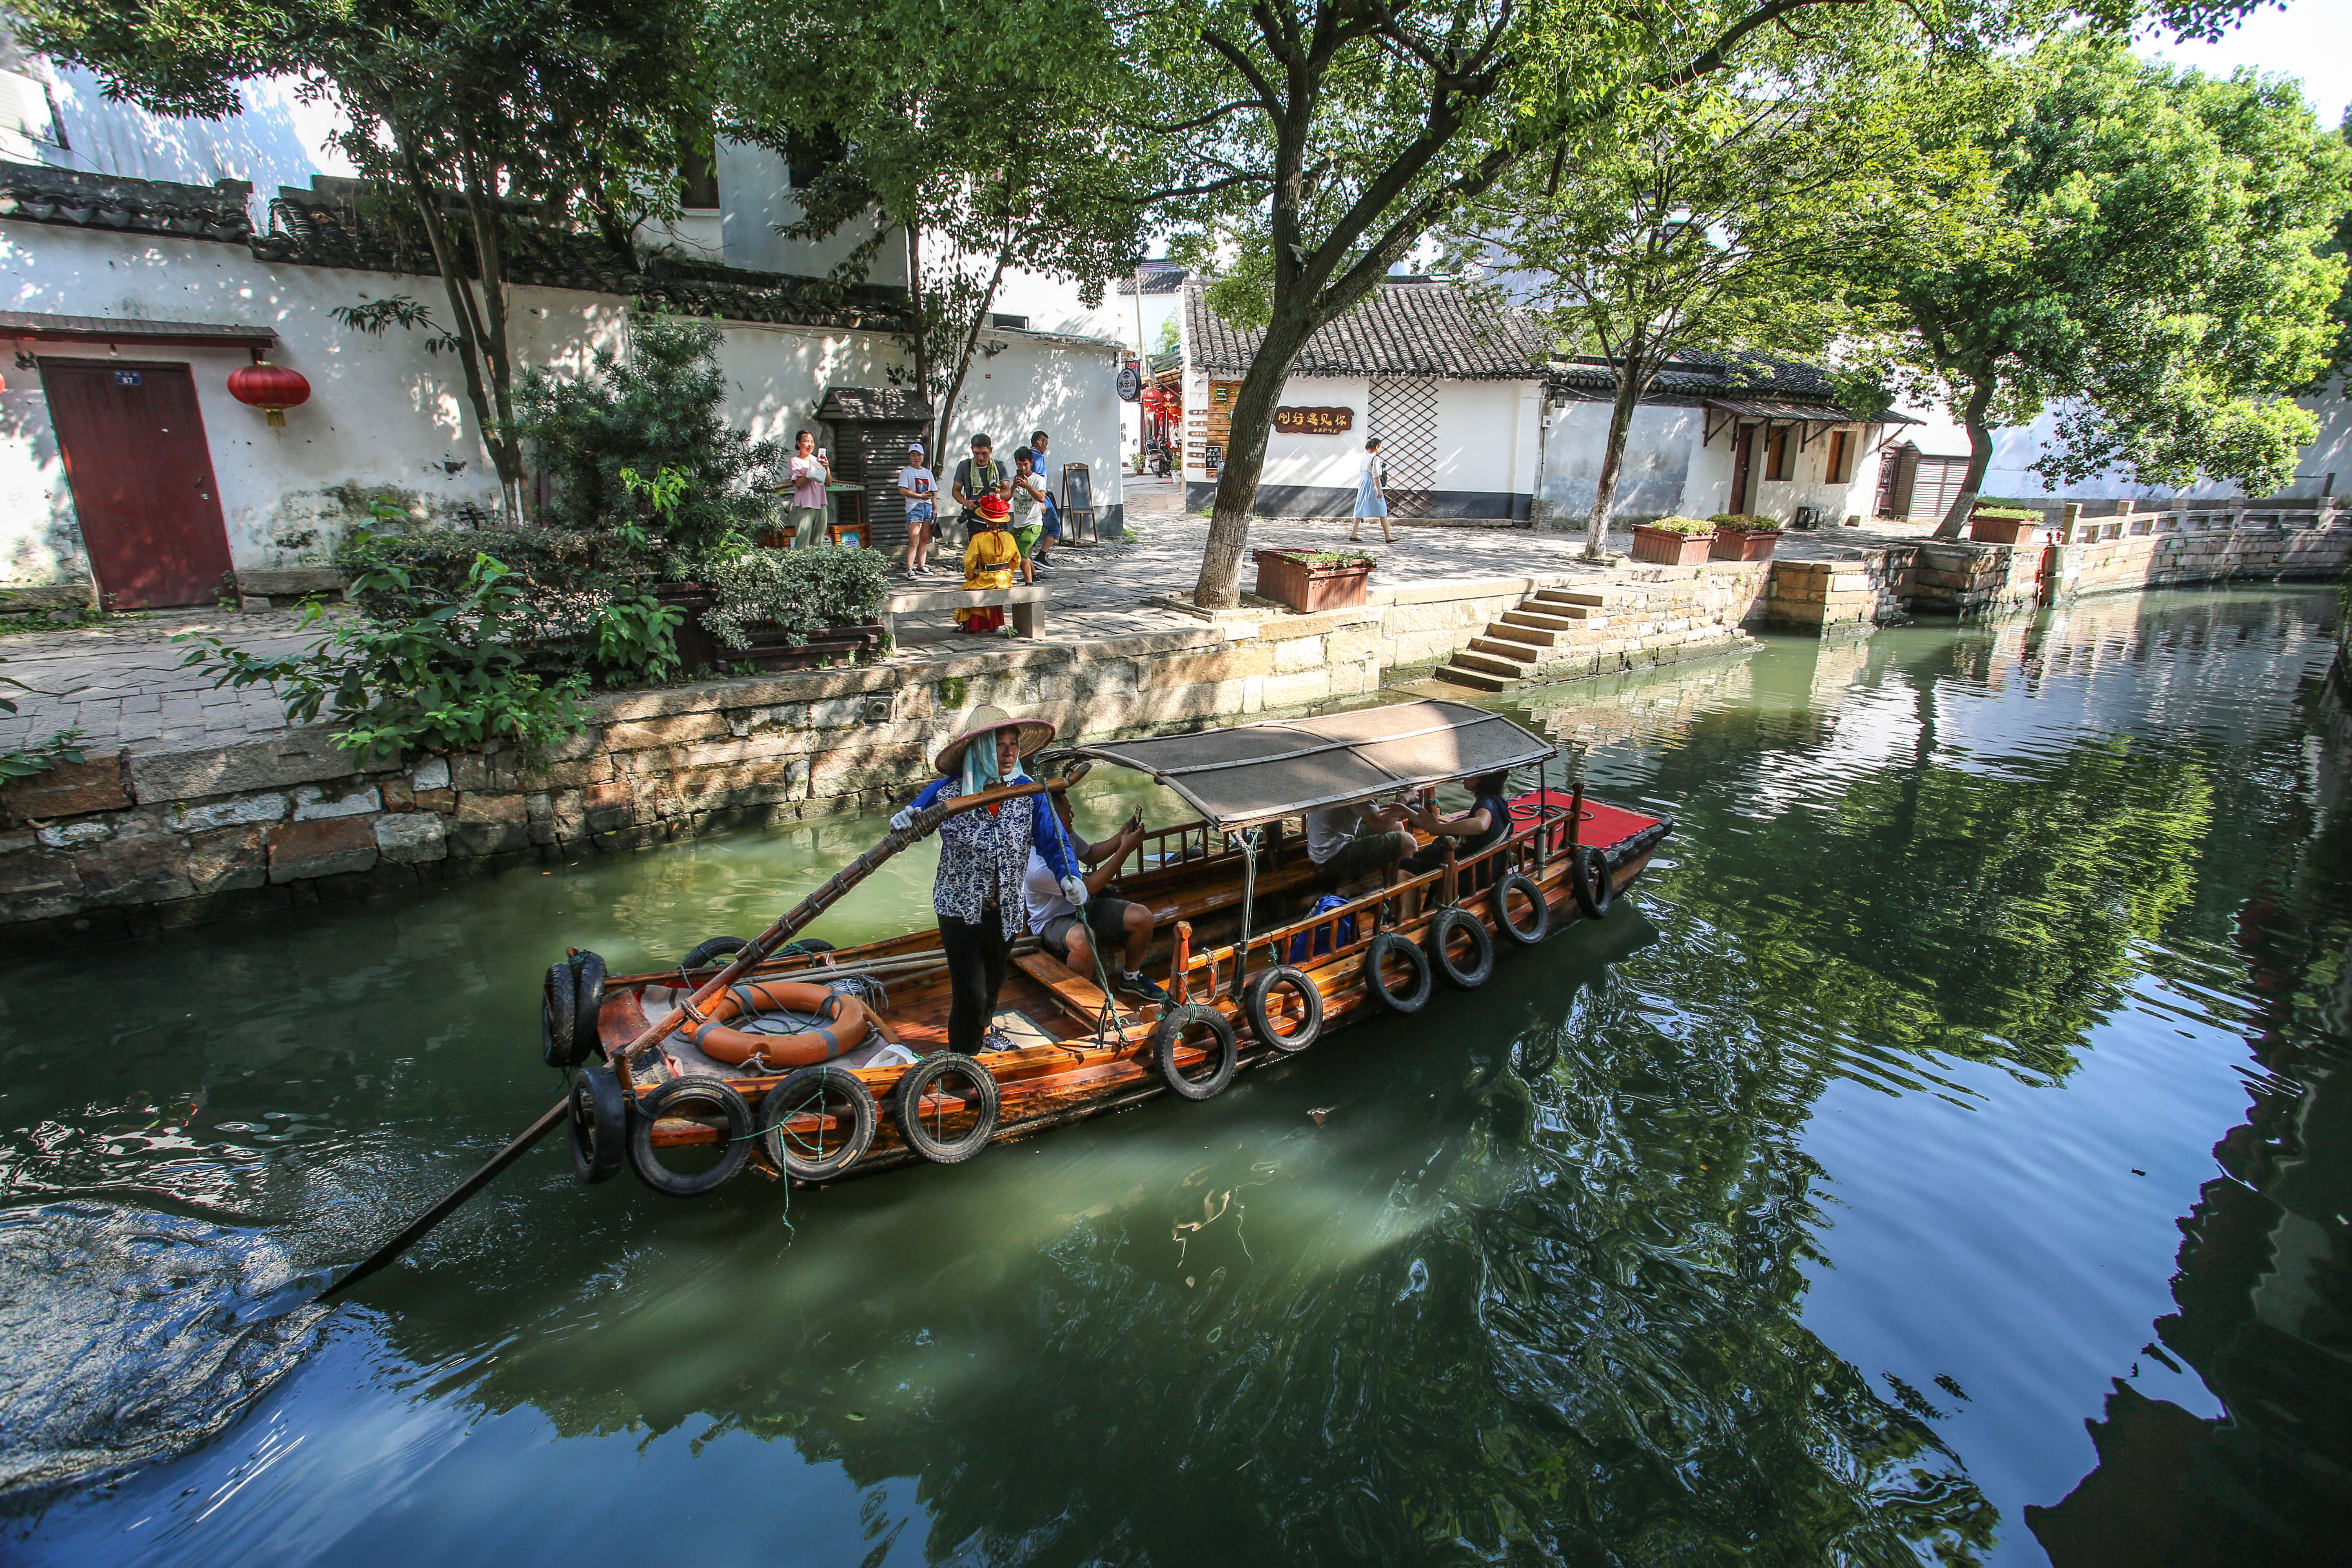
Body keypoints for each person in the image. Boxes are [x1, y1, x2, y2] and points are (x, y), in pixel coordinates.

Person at [891, 708, 1082, 1056]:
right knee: (970, 993)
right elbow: (911, 829)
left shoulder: (1029, 792)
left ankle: (982, 1034)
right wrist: (904, 822)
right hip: (958, 910)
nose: (1009, 753)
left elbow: (1054, 841)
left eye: (1013, 744)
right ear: (978, 750)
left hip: (1007, 910)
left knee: (993, 987)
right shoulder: (947, 793)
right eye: (999, 746)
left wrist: (1070, 875)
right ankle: (963, 1059)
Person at [1024, 791, 1167, 1002]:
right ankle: (1079, 997)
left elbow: (1091, 854)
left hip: (1085, 908)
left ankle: (1131, 977)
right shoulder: (1037, 867)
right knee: (1084, 939)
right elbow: (1089, 886)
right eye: (1068, 811)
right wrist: (1125, 849)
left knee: (1142, 917)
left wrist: (1122, 836)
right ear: (1051, 818)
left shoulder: (1064, 834)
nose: (1073, 815)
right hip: (1052, 921)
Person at [1397, 772, 1516, 913]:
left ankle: (1406, 921)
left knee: (1407, 867)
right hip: (1490, 869)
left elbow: (1481, 824)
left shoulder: (1486, 803)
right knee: (1420, 859)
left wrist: (1441, 828)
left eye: (1470, 774)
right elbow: (1434, 827)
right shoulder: (1498, 801)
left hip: (1472, 875)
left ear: (1481, 779)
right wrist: (1405, 811)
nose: (1464, 777)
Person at [1304, 798, 1417, 888]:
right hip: (1332, 859)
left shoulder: (1345, 781)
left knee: (1396, 826)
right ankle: (1399, 908)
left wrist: (1395, 812)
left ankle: (1389, 891)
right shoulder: (1353, 789)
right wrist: (1403, 800)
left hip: (1325, 848)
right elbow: (1382, 826)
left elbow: (1373, 816)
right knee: (1408, 843)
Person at [956, 493, 1022, 632]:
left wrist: (971, 576)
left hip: (988, 579)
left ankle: (972, 626)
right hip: (1006, 579)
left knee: (968, 587)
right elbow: (1017, 560)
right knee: (985, 586)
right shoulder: (1009, 537)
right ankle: (993, 624)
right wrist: (1008, 572)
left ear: (984, 518)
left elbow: (969, 561)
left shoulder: (978, 538)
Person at [952, 434, 1009, 542]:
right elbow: (956, 491)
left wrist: (998, 496)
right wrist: (965, 502)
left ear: (991, 450)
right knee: (977, 555)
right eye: (976, 454)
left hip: (997, 519)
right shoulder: (965, 466)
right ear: (972, 450)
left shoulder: (999, 466)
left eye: (984, 454)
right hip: (975, 520)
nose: (981, 458)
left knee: (999, 554)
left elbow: (1007, 492)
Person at [1018, 428, 1060, 562]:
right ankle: (1041, 556)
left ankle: (1029, 561)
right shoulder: (1038, 458)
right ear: (1040, 442)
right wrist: (1042, 502)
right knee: (1055, 528)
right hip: (1040, 497)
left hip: (1026, 497)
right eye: (1046, 444)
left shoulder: (1026, 456)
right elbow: (1040, 480)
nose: (1046, 448)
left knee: (1031, 530)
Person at [1008, 450, 1052, 579]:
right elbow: (1006, 499)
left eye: (1026, 464)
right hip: (1018, 524)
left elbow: (1042, 498)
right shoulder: (1013, 480)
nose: (1023, 468)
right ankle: (1034, 574)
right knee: (1011, 549)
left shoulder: (1038, 480)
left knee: (1022, 551)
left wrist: (1028, 486)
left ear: (1031, 463)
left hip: (1034, 523)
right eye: (1020, 464)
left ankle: (1029, 583)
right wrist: (1014, 487)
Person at [896, 441, 938, 577]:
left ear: (923, 456)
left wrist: (935, 508)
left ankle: (922, 566)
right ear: (910, 457)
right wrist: (919, 496)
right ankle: (910, 568)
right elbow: (902, 490)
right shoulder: (906, 472)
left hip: (928, 507)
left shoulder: (928, 473)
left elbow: (934, 492)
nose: (917, 458)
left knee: (925, 538)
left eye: (919, 455)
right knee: (914, 539)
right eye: (913, 455)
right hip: (914, 507)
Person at [790, 430, 831, 548]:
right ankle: (801, 565)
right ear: (799, 443)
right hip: (805, 504)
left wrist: (827, 468)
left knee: (818, 541)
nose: (810, 445)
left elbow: (828, 483)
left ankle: (816, 566)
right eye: (806, 442)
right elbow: (798, 483)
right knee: (803, 541)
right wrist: (811, 470)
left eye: (812, 442)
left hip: (821, 503)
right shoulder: (795, 461)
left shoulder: (817, 460)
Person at [1352, 436, 1392, 544]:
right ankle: (1388, 536)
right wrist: (1379, 490)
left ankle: (1354, 533)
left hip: (1364, 483)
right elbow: (1376, 475)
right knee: (1382, 509)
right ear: (1377, 447)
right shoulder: (1376, 459)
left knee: (1360, 507)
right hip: (1373, 484)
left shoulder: (1364, 457)